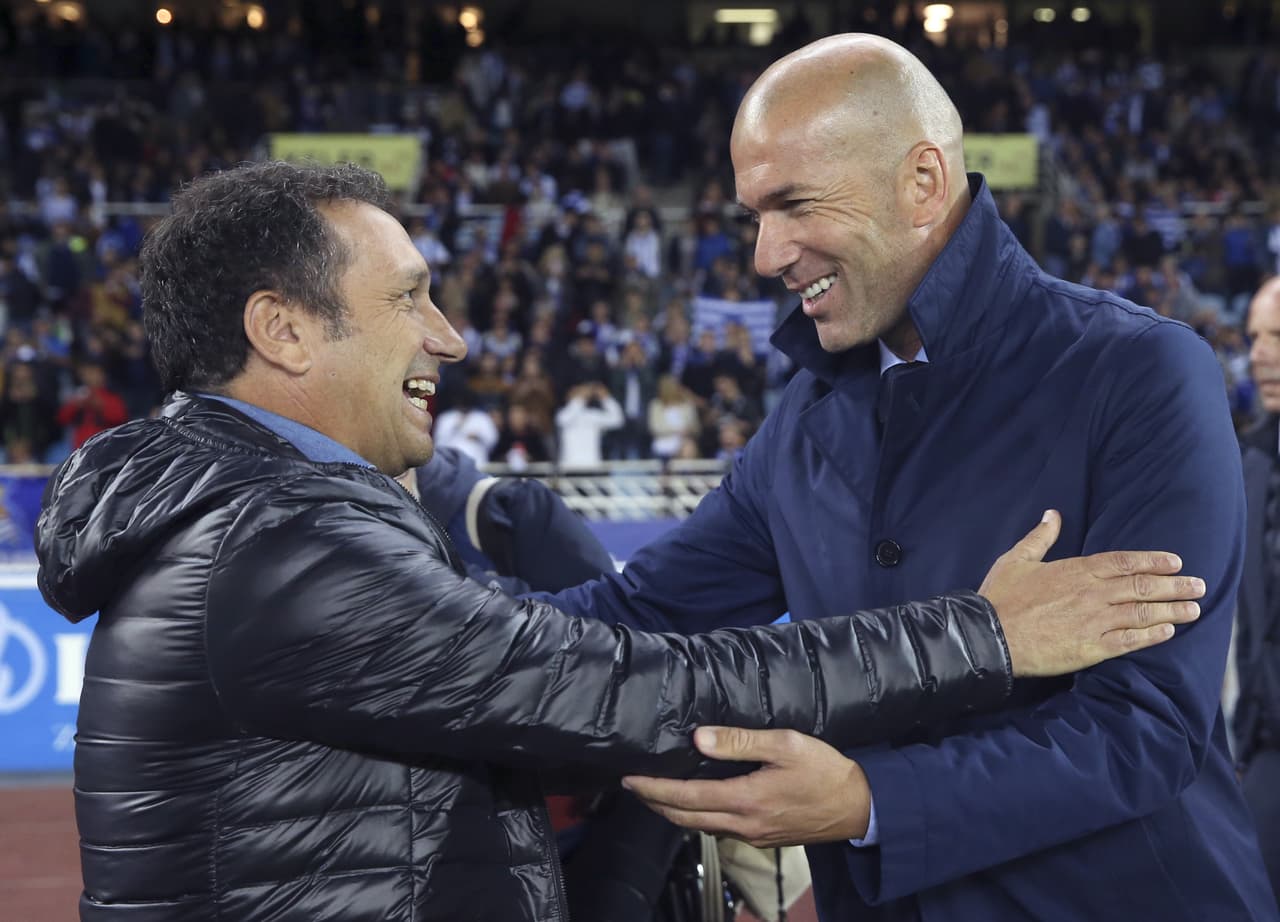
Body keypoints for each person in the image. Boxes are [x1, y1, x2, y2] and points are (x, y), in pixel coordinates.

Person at [35, 161, 1200, 922]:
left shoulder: (260, 516)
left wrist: (644, 833)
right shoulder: (276, 542)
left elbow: (555, 695)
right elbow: (633, 682)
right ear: (283, 331)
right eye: (409, 298)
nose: (447, 334)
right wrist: (983, 632)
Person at [544, 34, 1276, 921]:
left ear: (923, 182)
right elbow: (642, 613)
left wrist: (866, 804)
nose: (764, 255)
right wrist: (419, 617)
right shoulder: (806, 424)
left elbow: (1145, 730)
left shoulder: (1140, 372)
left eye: (796, 204)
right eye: (753, 216)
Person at [1237, 275, 1280, 900]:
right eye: (1253, 338)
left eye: (1277, 337)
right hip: (1267, 742)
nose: (1260, 353)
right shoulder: (1246, 461)